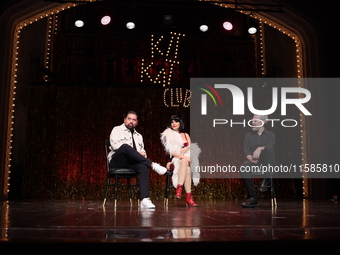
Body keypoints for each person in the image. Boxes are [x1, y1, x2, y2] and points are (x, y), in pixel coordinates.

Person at [108, 111, 167, 209]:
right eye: (129, 119)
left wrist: (140, 154)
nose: (131, 121)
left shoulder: (139, 136)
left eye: (134, 120)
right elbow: (115, 146)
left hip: (131, 162)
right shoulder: (117, 129)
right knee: (125, 147)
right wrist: (134, 151)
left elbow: (143, 153)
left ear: (137, 122)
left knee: (143, 167)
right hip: (117, 160)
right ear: (125, 120)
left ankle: (145, 199)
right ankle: (153, 165)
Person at [160, 115, 201, 207]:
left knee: (186, 166)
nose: (174, 124)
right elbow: (172, 153)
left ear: (180, 123)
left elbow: (191, 149)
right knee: (186, 167)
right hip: (172, 161)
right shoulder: (168, 135)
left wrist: (186, 152)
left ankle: (179, 188)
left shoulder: (186, 135)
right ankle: (188, 196)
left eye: (176, 121)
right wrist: (184, 156)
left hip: (186, 159)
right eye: (172, 122)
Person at [240, 114, 275, 208]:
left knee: (268, 149)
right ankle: (253, 198)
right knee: (244, 166)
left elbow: (271, 147)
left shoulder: (270, 135)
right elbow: (246, 151)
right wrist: (250, 158)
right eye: (252, 121)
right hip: (255, 162)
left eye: (255, 121)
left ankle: (265, 178)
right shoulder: (248, 136)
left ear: (262, 122)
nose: (252, 123)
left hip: (267, 163)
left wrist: (260, 148)